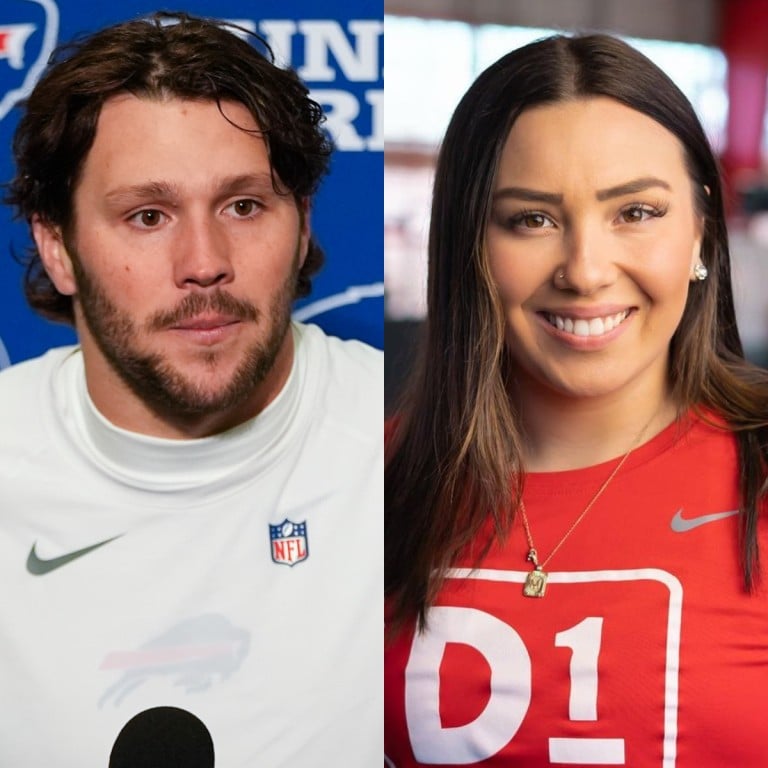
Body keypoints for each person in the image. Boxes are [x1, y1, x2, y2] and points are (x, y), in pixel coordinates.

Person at [0, 12, 381, 766]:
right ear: (58, 248)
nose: (203, 262)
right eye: (148, 216)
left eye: (243, 206)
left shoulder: (408, 442)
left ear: (301, 224)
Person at [385, 33, 768, 767]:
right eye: (532, 219)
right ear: (471, 246)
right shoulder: (371, 482)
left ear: (700, 231)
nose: (586, 271)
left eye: (636, 213)